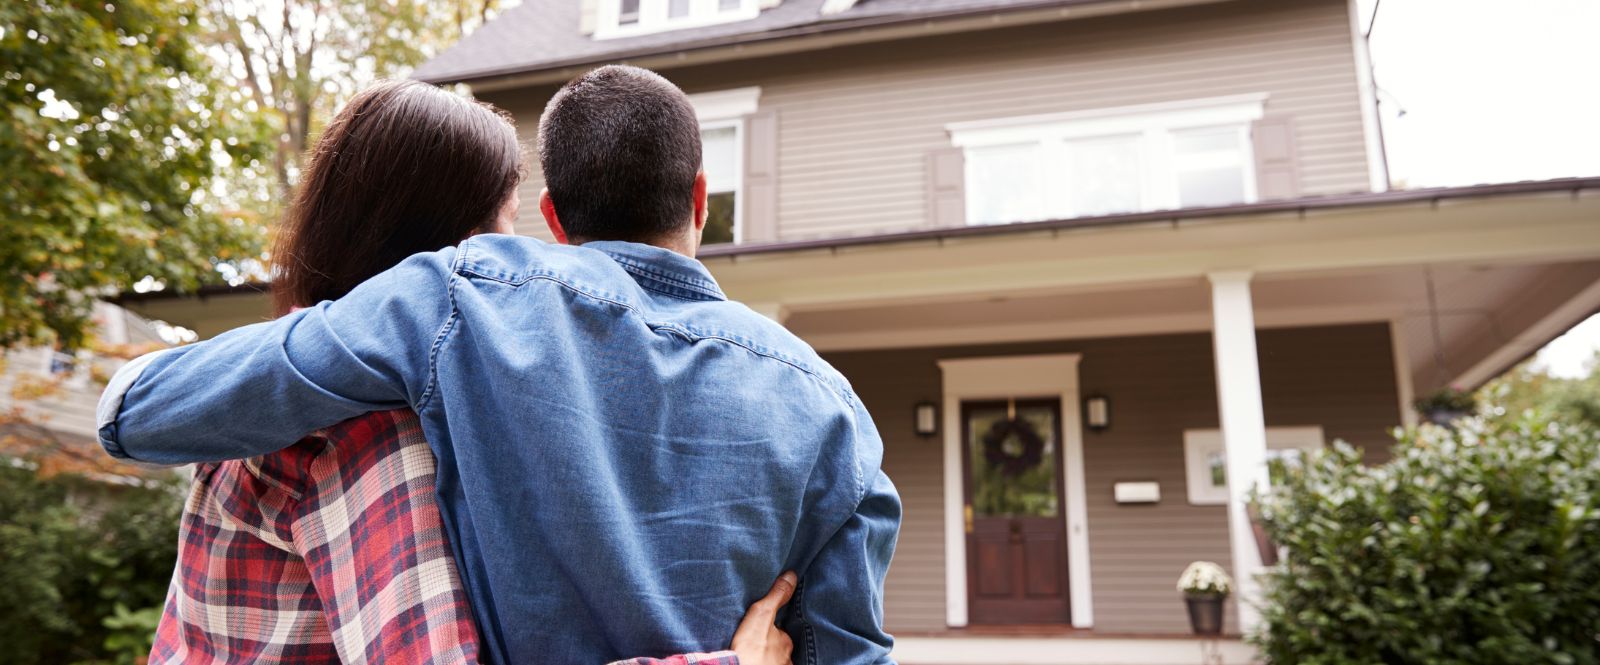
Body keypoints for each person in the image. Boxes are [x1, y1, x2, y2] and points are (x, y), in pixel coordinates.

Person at [100, 65, 901, 664]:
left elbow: (138, 414)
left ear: (552, 217)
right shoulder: (835, 410)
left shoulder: (453, 302)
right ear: (699, 200)